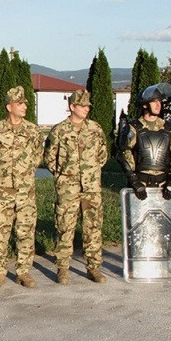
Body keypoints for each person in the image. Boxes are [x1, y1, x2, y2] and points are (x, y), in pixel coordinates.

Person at [43, 89, 108, 285]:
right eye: (82, 106)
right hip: (68, 188)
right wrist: (63, 176)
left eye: (88, 106)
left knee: (93, 227)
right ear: (72, 107)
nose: (86, 109)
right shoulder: (59, 131)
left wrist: (91, 173)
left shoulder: (95, 129)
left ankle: (93, 267)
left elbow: (103, 155)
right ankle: (63, 268)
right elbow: (50, 158)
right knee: (65, 227)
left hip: (91, 187)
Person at [0, 86, 44, 289]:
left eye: (25, 103)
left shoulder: (33, 131)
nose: (25, 106)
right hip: (3, 190)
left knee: (26, 231)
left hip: (26, 190)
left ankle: (23, 272)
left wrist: (24, 174)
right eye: (20, 103)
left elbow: (37, 156)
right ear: (9, 107)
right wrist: (2, 176)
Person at [117, 83, 171, 201]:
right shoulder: (133, 127)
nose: (158, 105)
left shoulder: (168, 128)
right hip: (140, 184)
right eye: (154, 102)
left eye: (160, 101)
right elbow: (124, 154)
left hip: (163, 185)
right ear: (145, 105)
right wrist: (134, 181)